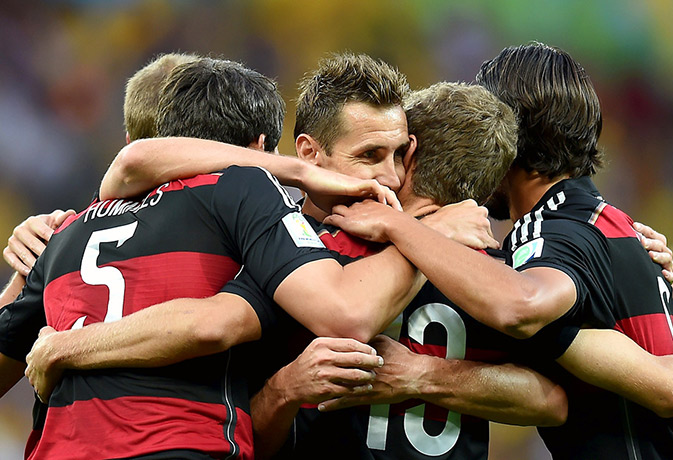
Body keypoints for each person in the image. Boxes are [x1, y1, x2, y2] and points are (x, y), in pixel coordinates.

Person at [0, 56, 423, 460]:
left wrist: (30, 290)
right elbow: (339, 313)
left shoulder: (67, 230)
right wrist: (427, 234)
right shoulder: (244, 191)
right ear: (260, 149)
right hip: (176, 445)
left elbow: (132, 163)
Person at [326, 43, 673, 459]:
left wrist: (399, 225)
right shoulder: (606, 225)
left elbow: (523, 306)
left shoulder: (551, 231)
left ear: (512, 138)